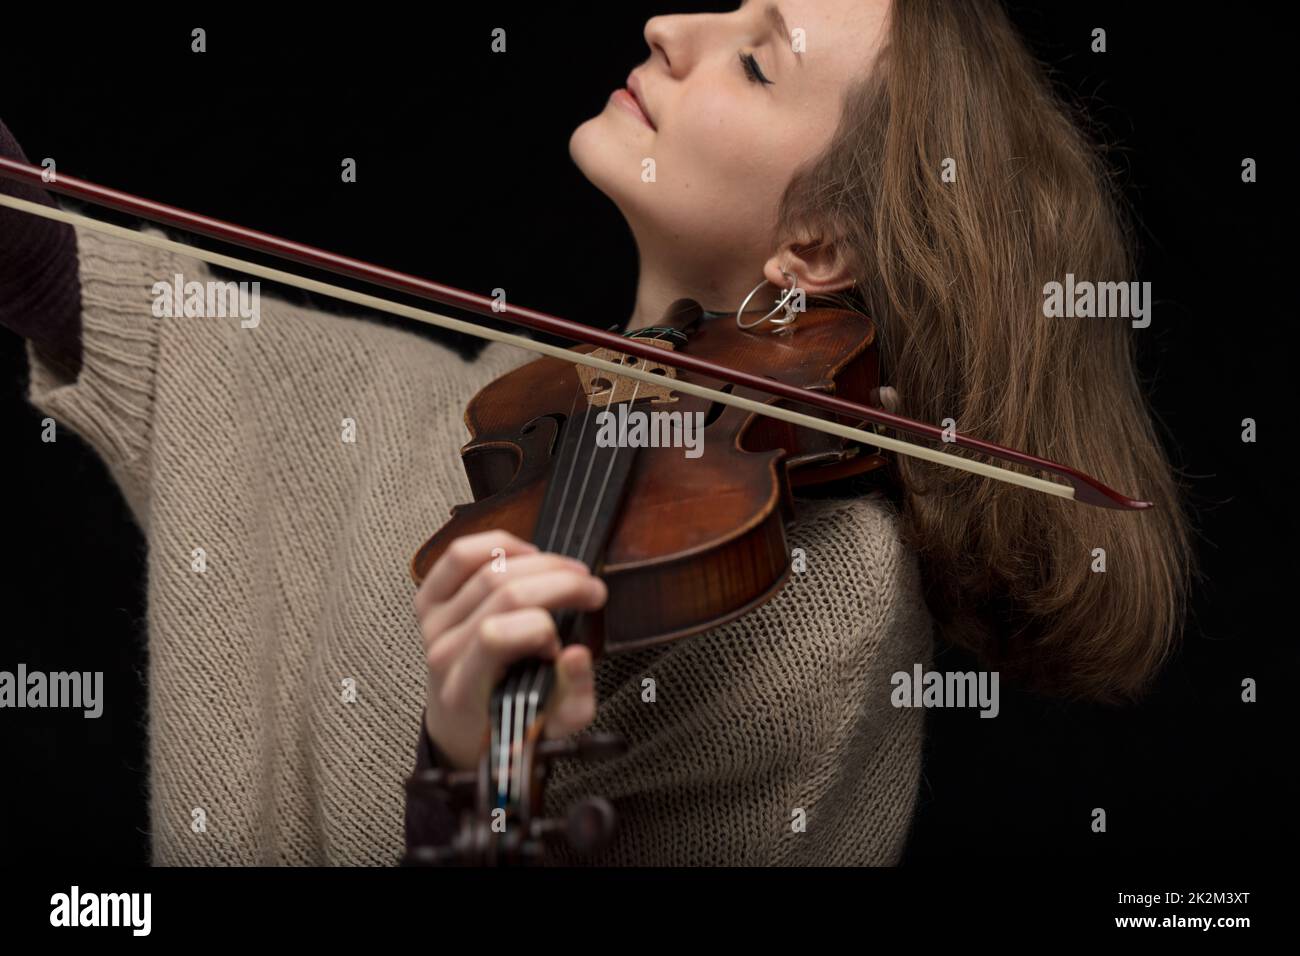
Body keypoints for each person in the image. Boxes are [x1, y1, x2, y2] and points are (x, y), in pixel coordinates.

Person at [0, 0, 1191, 866]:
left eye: (756, 64)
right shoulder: (535, 389)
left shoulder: (822, 583)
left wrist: (463, 777)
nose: (671, 26)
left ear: (816, 249)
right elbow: (263, 389)